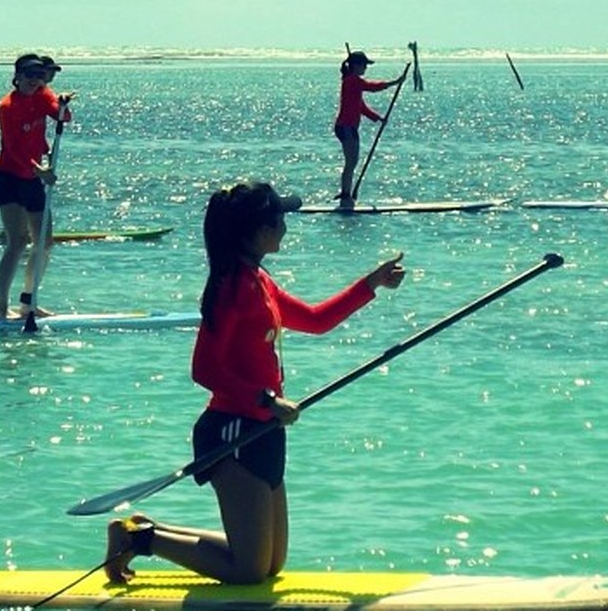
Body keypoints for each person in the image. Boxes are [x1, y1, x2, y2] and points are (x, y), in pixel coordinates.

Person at [103, 182, 406, 584]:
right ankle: (141, 542)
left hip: (263, 430)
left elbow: (316, 321)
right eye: (280, 218)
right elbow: (204, 369)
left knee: (270, 565)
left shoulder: (259, 281)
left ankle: (141, 531)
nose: (285, 225)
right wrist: (266, 399)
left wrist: (371, 284)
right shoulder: (230, 288)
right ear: (259, 232)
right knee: (249, 571)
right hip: (232, 433)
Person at [0, 53, 73, 321]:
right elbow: (12, 149)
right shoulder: (7, 107)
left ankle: (28, 302)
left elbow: (63, 116)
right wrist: (39, 170)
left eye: (38, 76)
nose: (34, 81)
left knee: (44, 242)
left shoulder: (42, 94)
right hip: (9, 177)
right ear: (17, 76)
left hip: (34, 178)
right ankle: (0, 308)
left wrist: (61, 105)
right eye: (29, 76)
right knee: (17, 242)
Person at [334, 50, 403, 210]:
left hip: (349, 127)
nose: (365, 68)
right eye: (364, 65)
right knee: (350, 163)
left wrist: (378, 118)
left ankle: (347, 194)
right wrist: (394, 83)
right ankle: (345, 197)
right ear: (356, 65)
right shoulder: (352, 81)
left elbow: (361, 107)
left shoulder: (353, 82)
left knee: (353, 162)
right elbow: (371, 87)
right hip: (345, 127)